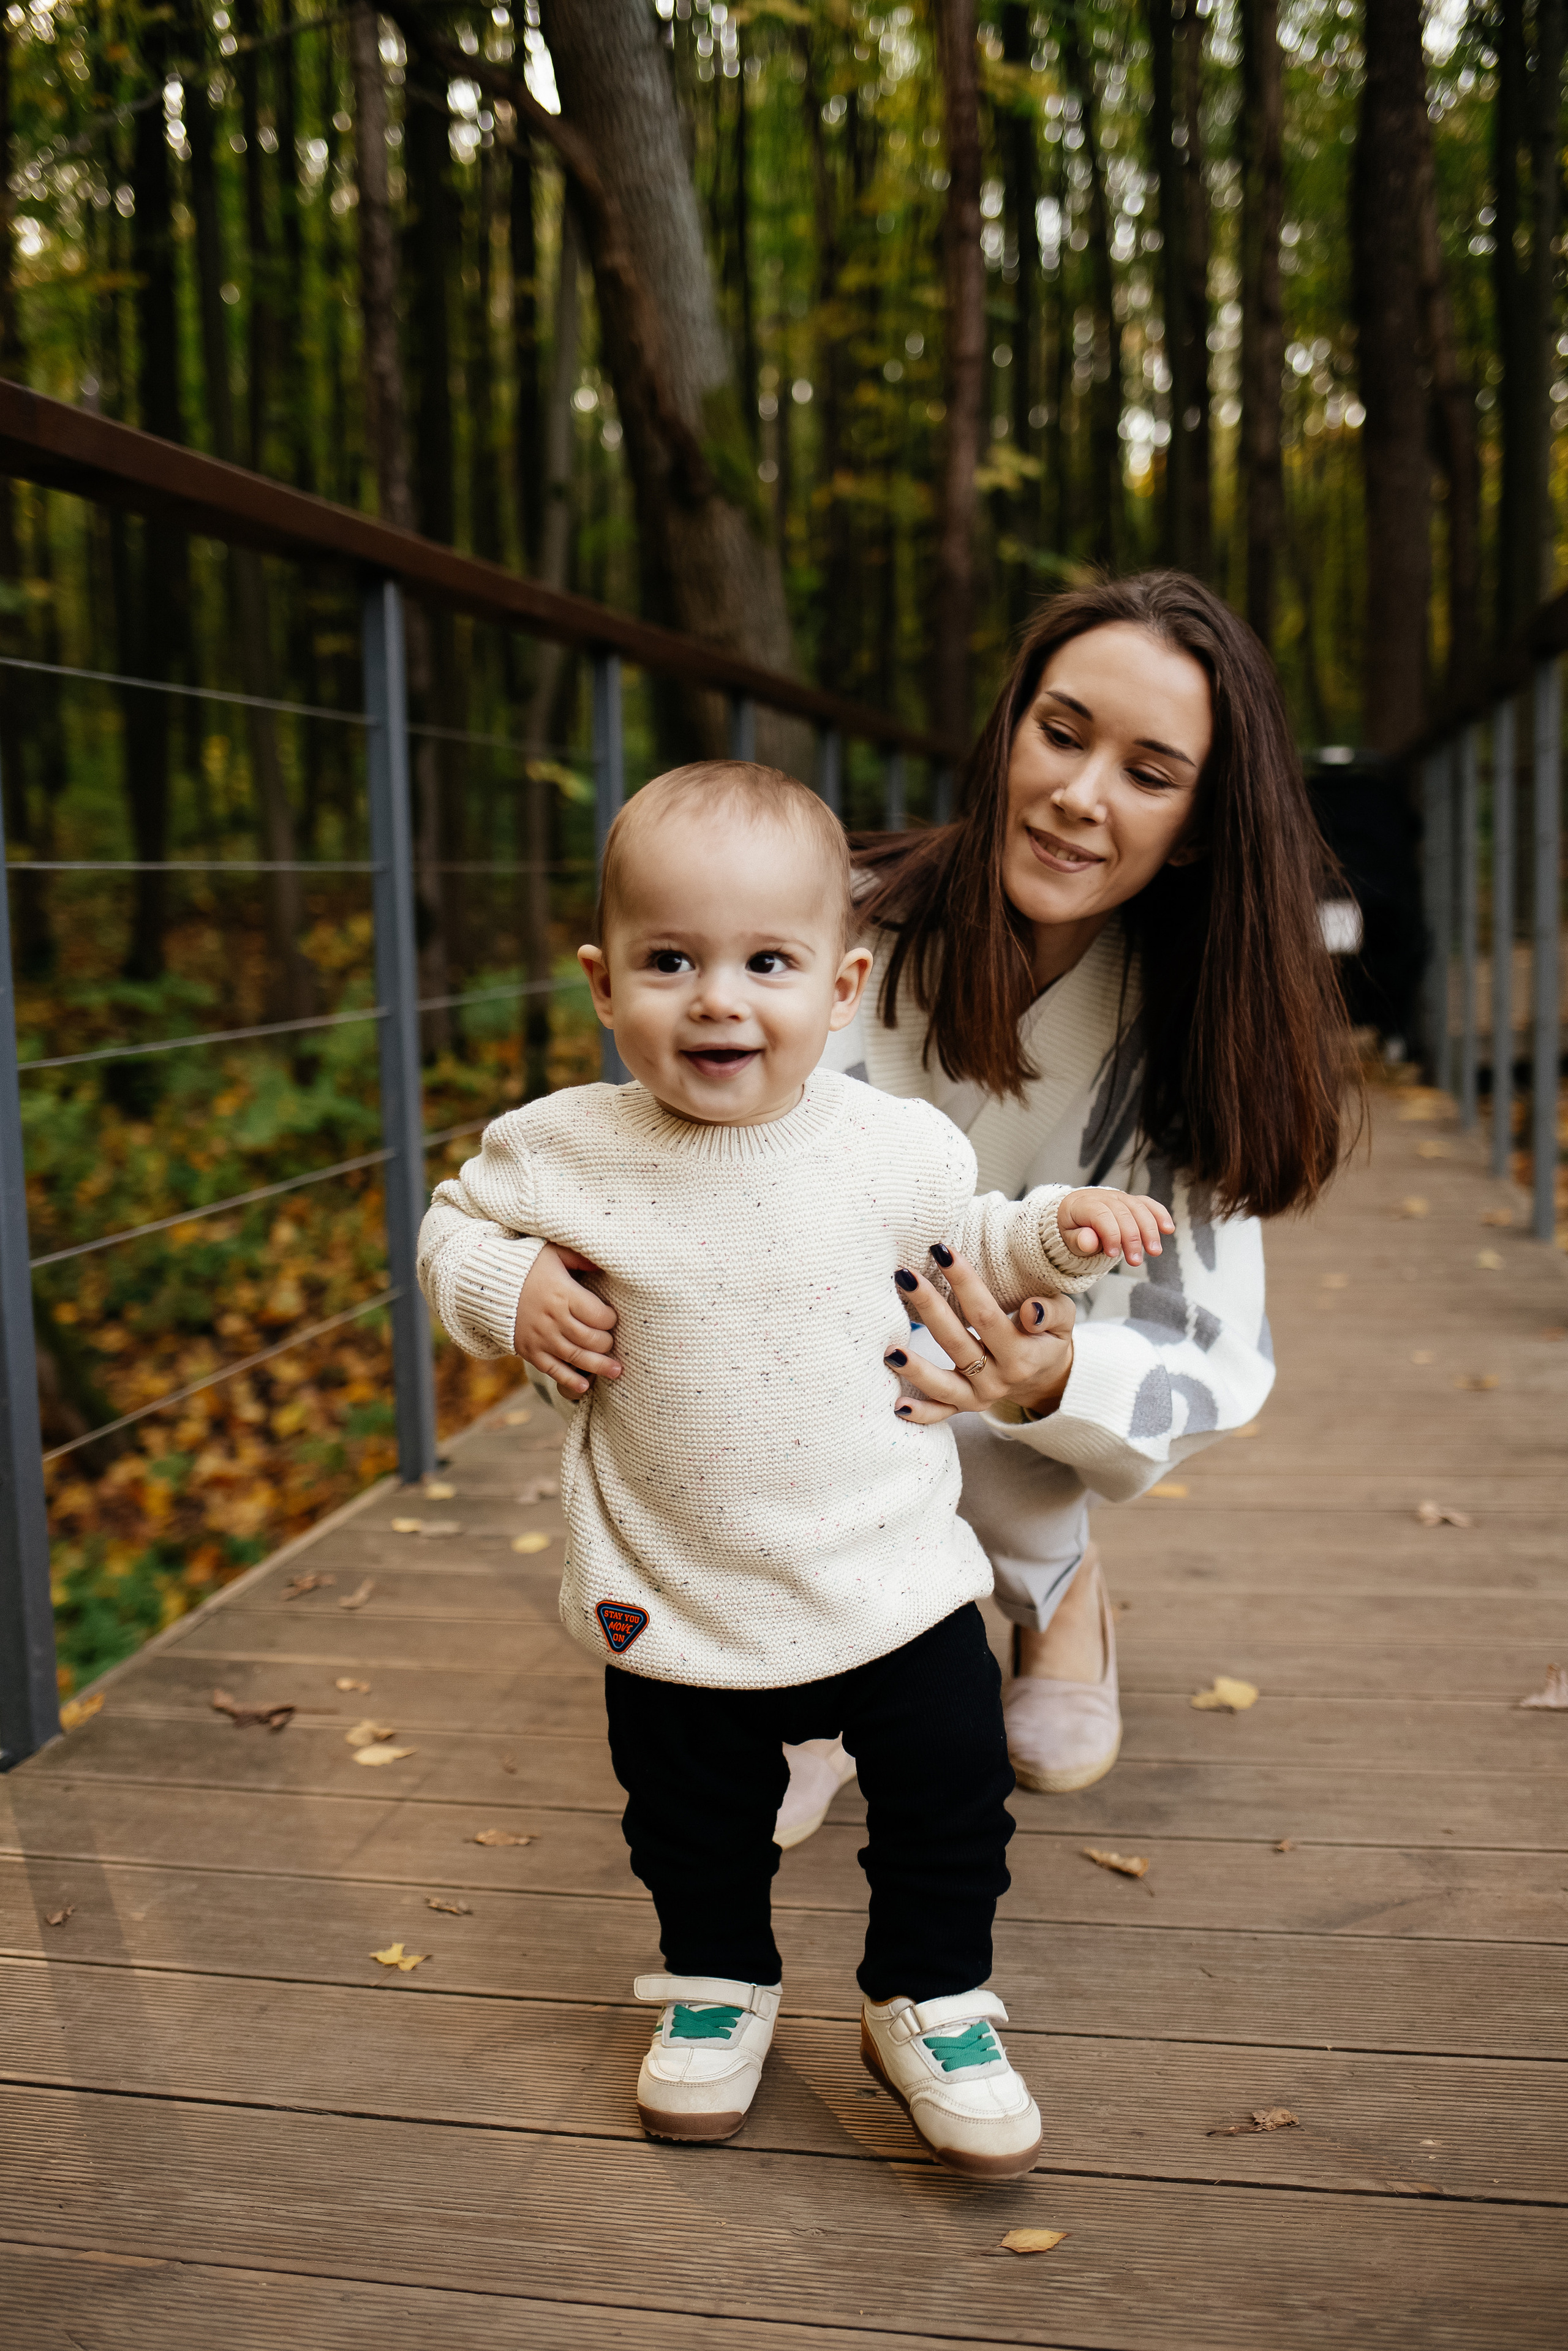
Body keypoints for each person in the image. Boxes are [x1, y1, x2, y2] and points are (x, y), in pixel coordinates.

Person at [418, 761, 1172, 2179]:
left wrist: (1063, 1230)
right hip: (675, 1587)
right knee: (690, 1820)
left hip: (889, 1577)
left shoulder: (891, 1146)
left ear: (838, 990)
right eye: (669, 959)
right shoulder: (563, 1148)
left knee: (952, 1795)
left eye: (766, 960)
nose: (718, 996)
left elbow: (978, 1243)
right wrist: (504, 1283)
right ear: (601, 979)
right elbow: (448, 1229)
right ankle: (717, 1982)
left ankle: (928, 1996)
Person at [511, 575, 1352, 1825]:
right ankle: (791, 1659)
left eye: (1146, 770)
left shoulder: (1188, 1024)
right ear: (1006, 729)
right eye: (1059, 733)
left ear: (1194, 826)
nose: (1077, 793)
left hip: (993, 1402)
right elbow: (631, 1171)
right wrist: (544, 1281)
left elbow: (1206, 1343)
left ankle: (1055, 1589)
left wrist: (1051, 1379)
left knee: (973, 1364)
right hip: (773, 1394)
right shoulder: (812, 924)